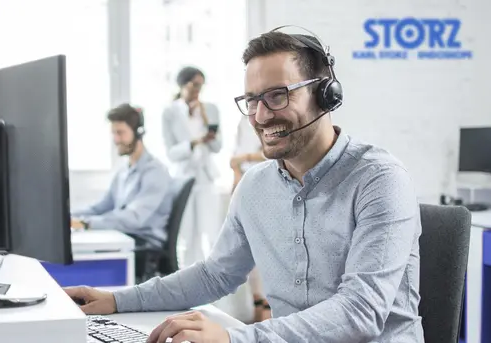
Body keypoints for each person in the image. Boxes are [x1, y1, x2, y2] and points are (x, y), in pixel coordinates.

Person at [65, 27, 423, 343]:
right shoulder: (255, 187)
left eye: (278, 95)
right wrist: (117, 300)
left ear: (326, 95)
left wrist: (236, 338)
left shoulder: (379, 180)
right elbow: (214, 275)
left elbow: (360, 312)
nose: (262, 115)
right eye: (252, 100)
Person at [71, 104, 173, 279]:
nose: (116, 139)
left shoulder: (155, 172)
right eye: (113, 133)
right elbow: (101, 207)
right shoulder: (124, 171)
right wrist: (67, 216)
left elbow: (134, 219)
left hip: (143, 247)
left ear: (138, 132)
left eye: (120, 133)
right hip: (124, 238)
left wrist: (86, 224)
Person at [160, 66, 223, 268]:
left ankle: (209, 279)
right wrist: (194, 142)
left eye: (201, 85)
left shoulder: (210, 109)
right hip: (184, 178)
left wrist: (206, 121)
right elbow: (171, 153)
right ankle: (186, 280)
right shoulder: (170, 113)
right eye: (194, 85)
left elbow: (217, 146)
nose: (198, 89)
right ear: (182, 84)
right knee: (186, 236)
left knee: (211, 233)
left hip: (206, 178)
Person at [230, 115, 269, 323]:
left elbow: (271, 155)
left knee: (265, 251)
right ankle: (258, 306)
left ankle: (267, 308)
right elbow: (234, 157)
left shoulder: (269, 120)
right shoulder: (242, 123)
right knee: (249, 252)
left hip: (265, 186)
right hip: (245, 187)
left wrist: (245, 157)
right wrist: (236, 176)